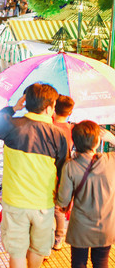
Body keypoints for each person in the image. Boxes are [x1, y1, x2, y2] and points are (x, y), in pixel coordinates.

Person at [0, 83, 68, 268]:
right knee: (37, 248)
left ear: (26, 101)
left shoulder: (12, 126)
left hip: (15, 202)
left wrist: (14, 107)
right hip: (44, 203)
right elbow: (62, 170)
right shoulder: (58, 135)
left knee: (17, 251)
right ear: (51, 107)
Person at [57, 120, 115, 268]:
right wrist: (111, 138)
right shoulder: (110, 161)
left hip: (81, 224)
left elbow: (63, 201)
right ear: (97, 140)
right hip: (106, 224)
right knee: (101, 262)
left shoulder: (70, 166)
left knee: (79, 261)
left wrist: (63, 205)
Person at [52, 94, 75, 251]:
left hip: (49, 171)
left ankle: (48, 237)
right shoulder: (72, 130)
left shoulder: (49, 127)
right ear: (70, 112)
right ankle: (59, 238)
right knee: (59, 208)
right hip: (64, 172)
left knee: (49, 208)